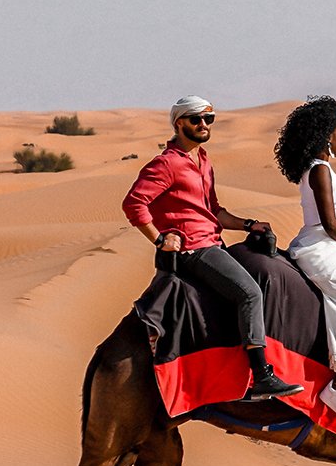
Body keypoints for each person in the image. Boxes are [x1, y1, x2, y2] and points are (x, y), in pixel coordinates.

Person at [122, 96, 302, 401]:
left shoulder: (203, 160)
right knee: (249, 293)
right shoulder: (166, 164)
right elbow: (133, 203)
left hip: (214, 241)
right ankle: (261, 375)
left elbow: (214, 210)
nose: (203, 125)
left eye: (209, 119)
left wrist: (248, 225)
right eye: (196, 119)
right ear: (179, 124)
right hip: (194, 249)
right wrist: (159, 239)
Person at [274, 96, 336, 427]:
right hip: (321, 248)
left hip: (330, 246)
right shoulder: (319, 172)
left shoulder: (322, 169)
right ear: (327, 136)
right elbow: (330, 224)